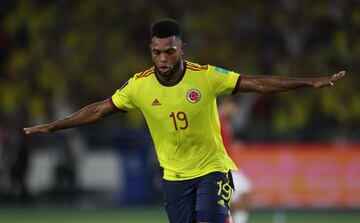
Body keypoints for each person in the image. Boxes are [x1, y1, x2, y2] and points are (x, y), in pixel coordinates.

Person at [23, 19, 345, 223]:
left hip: (211, 169)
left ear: (181, 49)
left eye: (170, 51)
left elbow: (256, 82)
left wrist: (307, 82)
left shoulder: (205, 77)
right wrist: (54, 125)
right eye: (157, 52)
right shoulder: (139, 85)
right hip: (174, 178)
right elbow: (99, 109)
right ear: (151, 51)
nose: (163, 58)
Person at [219, 98, 252, 223]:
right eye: (235, 107)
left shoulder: (225, 122)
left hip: (230, 164)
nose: (236, 111)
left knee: (245, 194)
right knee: (243, 194)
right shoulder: (215, 120)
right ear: (227, 104)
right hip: (223, 165)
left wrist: (233, 145)